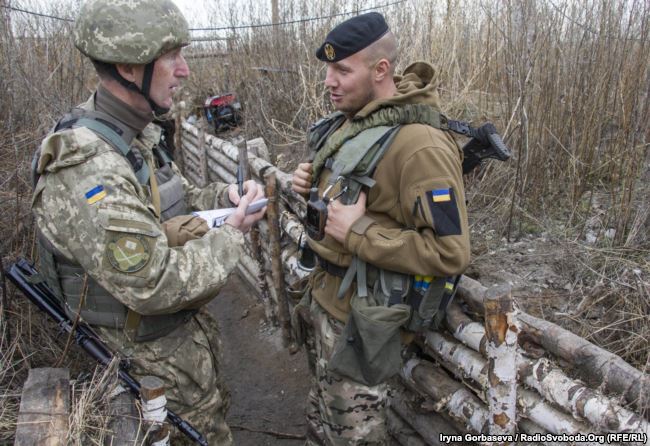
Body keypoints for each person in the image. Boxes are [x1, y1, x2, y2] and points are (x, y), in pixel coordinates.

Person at [31, 0, 265, 444]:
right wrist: (232, 233)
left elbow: (169, 202)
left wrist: (226, 197)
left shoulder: (133, 133)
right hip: (146, 373)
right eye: (172, 57)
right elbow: (152, 283)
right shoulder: (90, 166)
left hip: (179, 359)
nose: (185, 71)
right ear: (127, 65)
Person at [291, 12, 470, 445]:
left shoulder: (420, 145)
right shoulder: (358, 119)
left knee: (355, 437)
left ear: (381, 69)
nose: (328, 81)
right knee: (322, 422)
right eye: (328, 70)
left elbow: (450, 252)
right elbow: (355, 192)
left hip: (362, 323)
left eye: (342, 70)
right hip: (327, 305)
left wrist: (358, 232)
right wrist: (310, 185)